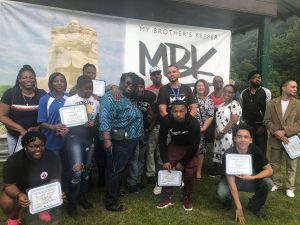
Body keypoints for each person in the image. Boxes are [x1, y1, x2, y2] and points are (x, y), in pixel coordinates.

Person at [100, 72, 143, 212]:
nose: (130, 86)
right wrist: (107, 140)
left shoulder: (126, 96)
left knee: (117, 170)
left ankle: (115, 192)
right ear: (121, 81)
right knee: (114, 171)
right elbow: (105, 117)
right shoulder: (111, 96)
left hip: (130, 139)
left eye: (133, 85)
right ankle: (111, 202)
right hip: (118, 141)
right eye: (127, 83)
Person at [0, 131, 62, 225]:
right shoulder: (13, 161)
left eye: (41, 145)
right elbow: (9, 185)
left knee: (52, 191)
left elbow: (54, 180)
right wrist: (19, 195)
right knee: (6, 201)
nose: (38, 149)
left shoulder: (51, 156)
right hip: (19, 189)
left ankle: (43, 210)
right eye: (33, 146)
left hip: (40, 189)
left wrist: (57, 191)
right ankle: (14, 217)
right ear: (25, 146)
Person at [217, 123, 273, 224]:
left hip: (252, 180)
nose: (242, 140)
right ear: (234, 139)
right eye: (239, 137)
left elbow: (269, 170)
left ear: (251, 140)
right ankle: (228, 201)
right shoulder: (228, 154)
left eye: (246, 137)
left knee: (268, 183)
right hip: (234, 182)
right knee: (222, 191)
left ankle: (254, 206)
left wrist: (252, 177)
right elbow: (231, 182)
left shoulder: (256, 151)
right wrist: (239, 207)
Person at [64, 75, 99, 216]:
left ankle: (82, 197)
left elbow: (97, 121)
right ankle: (71, 203)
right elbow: (66, 121)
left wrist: (93, 124)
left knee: (86, 171)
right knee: (77, 170)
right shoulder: (70, 101)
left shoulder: (95, 102)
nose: (89, 91)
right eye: (86, 88)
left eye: (91, 88)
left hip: (89, 139)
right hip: (74, 138)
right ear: (78, 88)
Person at [157, 100, 200, 211]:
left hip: (189, 147)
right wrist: (165, 160)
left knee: (190, 172)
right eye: (175, 111)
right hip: (175, 145)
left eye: (181, 111)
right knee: (167, 167)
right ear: (171, 111)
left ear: (186, 111)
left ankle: (186, 196)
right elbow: (161, 140)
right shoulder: (166, 120)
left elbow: (195, 145)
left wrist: (182, 162)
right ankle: (167, 196)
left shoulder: (193, 122)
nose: (178, 114)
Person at [264, 79, 300, 198]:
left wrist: (284, 131)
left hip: (292, 139)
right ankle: (276, 183)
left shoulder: (298, 104)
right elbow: (267, 121)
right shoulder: (272, 103)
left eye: (296, 87)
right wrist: (276, 132)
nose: (295, 89)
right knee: (275, 163)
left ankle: (290, 187)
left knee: (292, 164)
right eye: (293, 87)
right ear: (284, 88)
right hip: (276, 138)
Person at [0, 65, 46, 155]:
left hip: (36, 138)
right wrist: (21, 129)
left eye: (31, 77)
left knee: (35, 164)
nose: (28, 80)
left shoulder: (42, 94)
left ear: (35, 79)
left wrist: (38, 127)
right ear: (19, 79)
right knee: (17, 164)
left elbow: (46, 116)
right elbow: (2, 116)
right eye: (24, 77)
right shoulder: (10, 94)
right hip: (15, 137)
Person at [127, 77, 156, 193]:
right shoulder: (129, 95)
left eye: (141, 86)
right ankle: (131, 183)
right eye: (137, 86)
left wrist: (150, 127)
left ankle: (138, 180)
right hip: (133, 132)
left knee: (141, 158)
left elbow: (155, 113)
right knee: (134, 157)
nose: (139, 88)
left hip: (145, 131)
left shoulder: (150, 96)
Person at [211, 84, 242, 177]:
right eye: (225, 91)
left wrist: (222, 132)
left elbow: (233, 120)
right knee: (220, 154)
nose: (227, 93)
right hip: (219, 134)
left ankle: (230, 177)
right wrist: (216, 132)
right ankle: (222, 174)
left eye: (230, 92)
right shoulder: (221, 105)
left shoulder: (234, 104)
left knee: (228, 155)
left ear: (233, 94)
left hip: (228, 135)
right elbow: (217, 119)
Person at [240, 71, 271, 155]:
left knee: (260, 151)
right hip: (247, 125)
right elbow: (242, 109)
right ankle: (250, 167)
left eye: (259, 77)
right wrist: (243, 125)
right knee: (247, 149)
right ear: (249, 80)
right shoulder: (243, 93)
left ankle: (261, 168)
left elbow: (268, 110)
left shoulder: (266, 92)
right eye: (255, 77)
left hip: (260, 126)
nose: (258, 79)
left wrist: (264, 126)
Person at [38, 72, 69, 153]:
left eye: (62, 81)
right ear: (51, 84)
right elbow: (41, 122)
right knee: (54, 164)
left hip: (68, 140)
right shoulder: (44, 99)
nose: (59, 83)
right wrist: (54, 127)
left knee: (68, 165)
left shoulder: (70, 97)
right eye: (56, 81)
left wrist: (67, 130)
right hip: (50, 141)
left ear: (65, 83)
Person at [145, 66, 164, 194]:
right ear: (151, 77)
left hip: (165, 125)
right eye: (154, 74)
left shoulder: (166, 88)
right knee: (150, 150)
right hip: (153, 125)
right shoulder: (147, 90)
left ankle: (162, 172)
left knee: (161, 151)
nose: (157, 76)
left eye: (159, 74)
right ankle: (150, 173)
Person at [193, 79, 214, 179]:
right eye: (198, 86)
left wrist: (203, 128)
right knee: (190, 149)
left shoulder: (210, 100)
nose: (201, 87)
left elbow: (210, 116)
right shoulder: (191, 99)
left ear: (205, 87)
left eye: (202, 86)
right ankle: (189, 169)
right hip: (191, 129)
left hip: (202, 130)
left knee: (200, 151)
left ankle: (198, 171)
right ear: (195, 88)